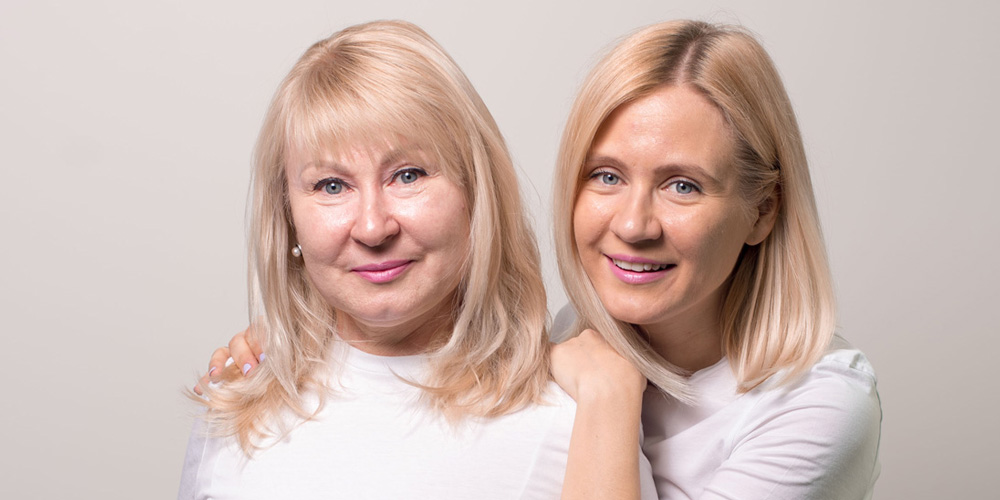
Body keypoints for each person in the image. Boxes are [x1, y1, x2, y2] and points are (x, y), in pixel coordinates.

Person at [204, 19, 882, 500]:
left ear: (763, 210)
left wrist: (610, 400)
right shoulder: (568, 339)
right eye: (606, 176)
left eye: (683, 186)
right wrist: (299, 342)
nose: (633, 224)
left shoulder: (822, 403)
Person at [179, 20, 659, 499]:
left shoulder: (582, 419)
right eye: (331, 185)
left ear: (476, 193)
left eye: (408, 175)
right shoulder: (233, 410)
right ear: (288, 217)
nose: (373, 228)